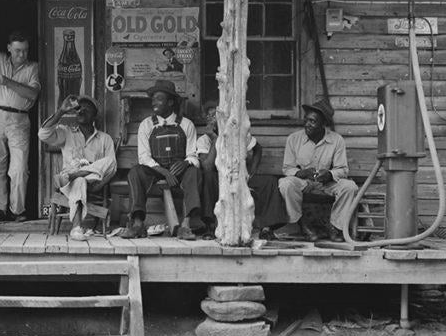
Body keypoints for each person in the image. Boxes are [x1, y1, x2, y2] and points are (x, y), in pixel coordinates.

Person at [0, 0, 42, 222]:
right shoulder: (0, 59)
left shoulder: (33, 67)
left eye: (25, 50)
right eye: (18, 50)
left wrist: (7, 82)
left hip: (20, 119)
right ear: (9, 48)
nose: (22, 55)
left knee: (19, 167)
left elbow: (33, 94)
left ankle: (18, 210)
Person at [121, 80, 203, 239]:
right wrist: (164, 172)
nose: (153, 102)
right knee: (135, 172)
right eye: (152, 99)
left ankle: (185, 226)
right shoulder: (146, 125)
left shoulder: (186, 125)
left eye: (158, 99)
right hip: (155, 170)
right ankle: (138, 224)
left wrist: (186, 163)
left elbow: (193, 155)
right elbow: (144, 157)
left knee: (194, 172)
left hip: (178, 171)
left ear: (171, 102)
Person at [195, 101, 286, 237]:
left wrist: (252, 171)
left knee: (270, 182)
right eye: (213, 116)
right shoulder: (204, 140)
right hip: (218, 180)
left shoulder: (237, 133)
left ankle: (267, 228)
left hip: (240, 177)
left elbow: (257, 149)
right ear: (207, 120)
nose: (217, 119)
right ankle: (211, 226)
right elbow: (207, 167)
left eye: (220, 115)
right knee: (207, 178)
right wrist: (215, 139)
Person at [278, 98, 358, 242]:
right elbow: (287, 168)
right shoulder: (293, 139)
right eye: (306, 120)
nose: (307, 124)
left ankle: (335, 228)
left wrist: (329, 174)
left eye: (313, 121)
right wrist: (301, 173)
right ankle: (302, 225)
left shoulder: (337, 140)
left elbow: (343, 169)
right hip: (303, 182)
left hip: (327, 184)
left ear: (323, 124)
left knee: (350, 187)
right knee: (285, 184)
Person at [38, 95, 117, 241]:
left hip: (94, 182)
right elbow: (43, 134)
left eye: (87, 109)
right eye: (79, 109)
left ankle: (79, 174)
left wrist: (87, 175)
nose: (81, 111)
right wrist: (61, 111)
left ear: (95, 115)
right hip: (69, 182)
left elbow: (111, 167)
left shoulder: (105, 138)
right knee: (79, 181)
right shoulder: (66, 132)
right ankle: (76, 227)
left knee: (110, 161)